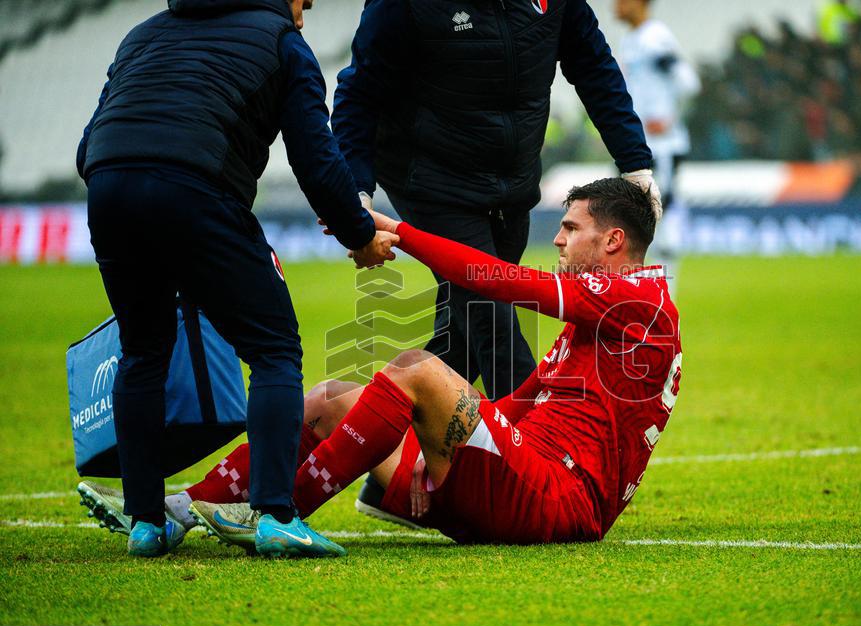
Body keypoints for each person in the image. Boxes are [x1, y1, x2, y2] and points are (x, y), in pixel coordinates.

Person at [80, 178, 682, 547]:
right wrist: (447, 444)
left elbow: (500, 280)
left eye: (571, 228)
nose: (558, 239)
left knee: (419, 368)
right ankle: (181, 509)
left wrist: (400, 232)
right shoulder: (609, 317)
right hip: (523, 476)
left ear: (612, 242)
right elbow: (524, 403)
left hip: (559, 500)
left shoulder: (640, 301)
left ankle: (278, 515)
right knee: (326, 399)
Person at [77, 0, 397, 558]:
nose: (311, 3)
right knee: (273, 348)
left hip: (109, 189)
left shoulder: (141, 35)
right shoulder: (280, 42)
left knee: (143, 351)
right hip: (198, 192)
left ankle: (147, 524)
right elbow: (317, 163)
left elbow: (88, 146)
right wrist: (359, 233)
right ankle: (275, 516)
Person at [332, 0, 661, 401]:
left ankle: (390, 446)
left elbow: (594, 67)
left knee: (462, 342)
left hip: (513, 187)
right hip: (433, 183)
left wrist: (636, 166)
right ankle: (541, 451)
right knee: (495, 323)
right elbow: (359, 93)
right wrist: (356, 195)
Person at [615, 0, 700, 295]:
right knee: (638, 219)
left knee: (659, 220)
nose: (616, 6)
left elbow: (688, 83)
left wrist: (670, 118)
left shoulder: (655, 37)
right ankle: (644, 296)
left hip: (663, 146)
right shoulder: (630, 40)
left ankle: (666, 300)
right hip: (641, 145)